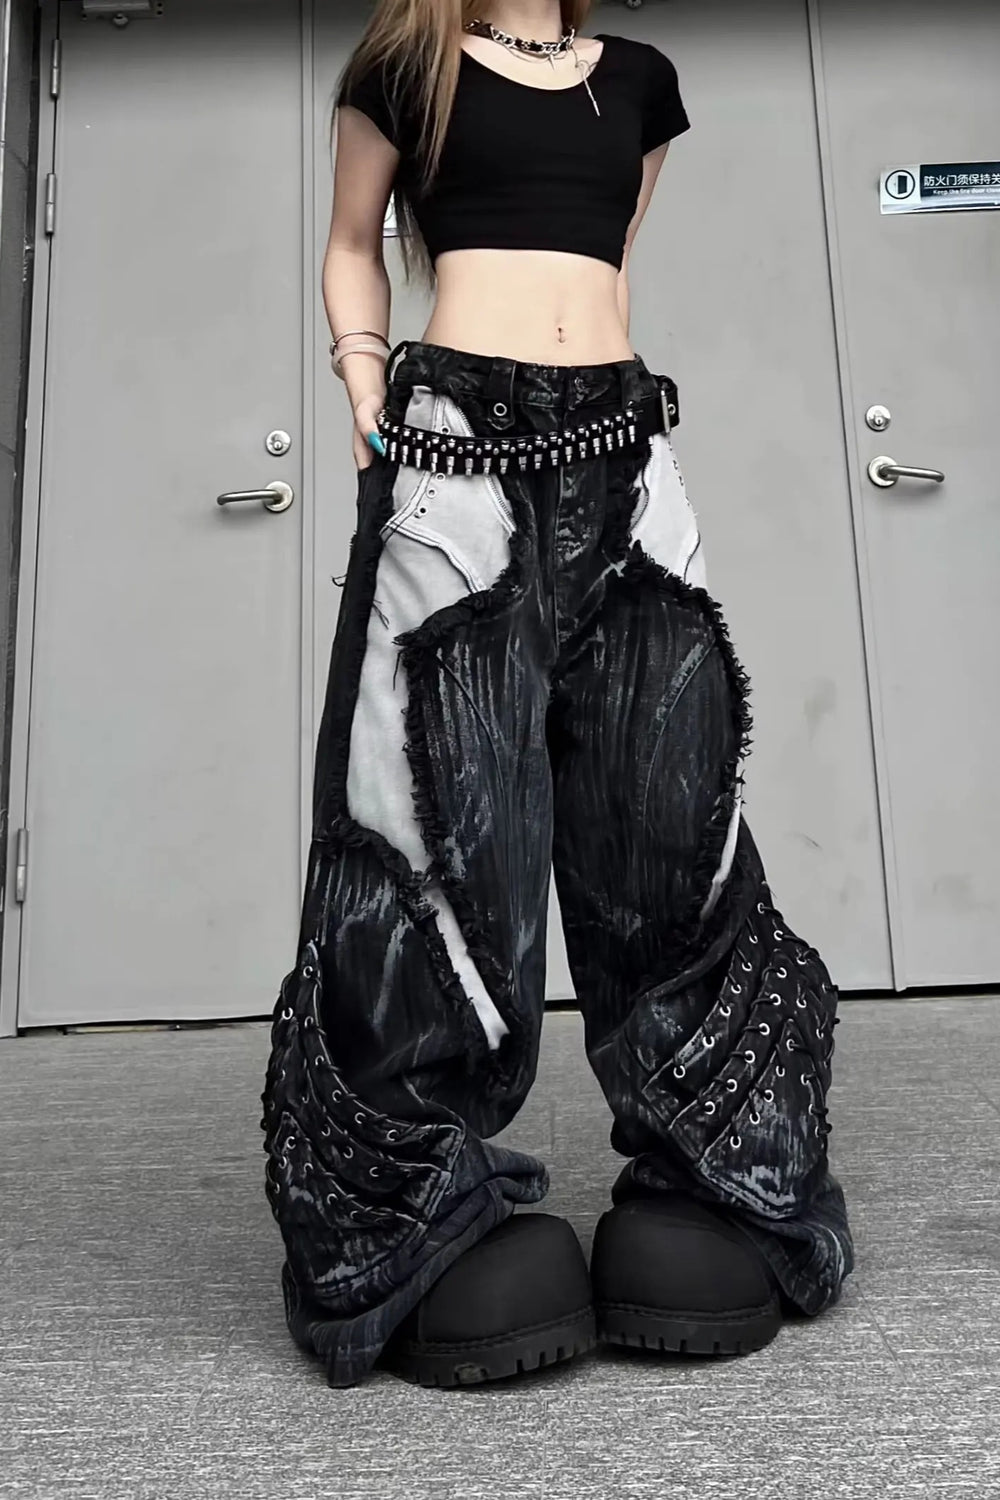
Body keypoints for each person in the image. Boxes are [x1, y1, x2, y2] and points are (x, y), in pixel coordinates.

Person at [260, 0, 854, 1390]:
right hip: (457, 449)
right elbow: (352, 244)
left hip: (625, 449)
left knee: (669, 810)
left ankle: (717, 1165)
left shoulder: (640, 82)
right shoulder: (402, 64)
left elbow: (608, 264)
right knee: (432, 819)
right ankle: (409, 1207)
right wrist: (366, 388)